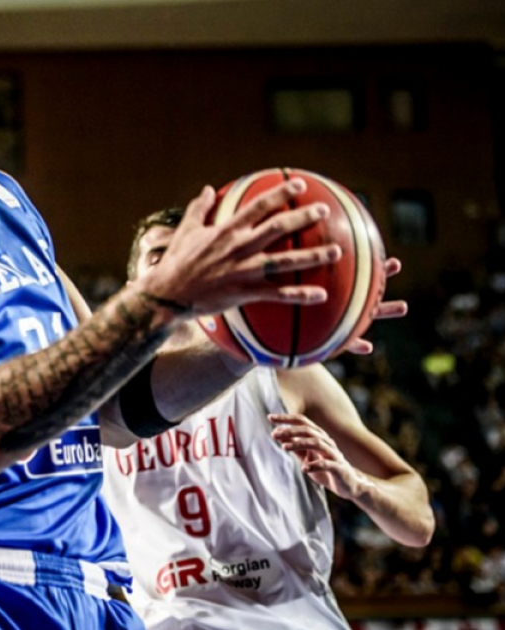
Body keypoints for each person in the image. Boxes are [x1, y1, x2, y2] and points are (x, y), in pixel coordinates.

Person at [0, 0, 395, 627]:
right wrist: (165, 296)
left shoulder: (0, 198)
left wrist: (250, 339)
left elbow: (111, 404)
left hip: (94, 589)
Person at [101, 207, 435, 630]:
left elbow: (418, 522)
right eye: (159, 256)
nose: (178, 265)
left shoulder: (283, 371)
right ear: (133, 289)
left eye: (191, 254)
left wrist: (356, 485)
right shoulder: (98, 397)